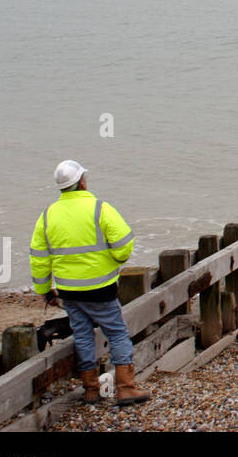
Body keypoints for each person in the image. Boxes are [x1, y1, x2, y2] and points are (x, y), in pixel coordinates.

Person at [30, 160, 151, 406]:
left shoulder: (47, 216)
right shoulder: (99, 208)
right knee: (117, 333)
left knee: (82, 335)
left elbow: (39, 258)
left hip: (69, 291)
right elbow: (124, 243)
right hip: (101, 288)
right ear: (82, 182)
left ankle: (91, 390)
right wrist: (115, 259)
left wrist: (45, 291)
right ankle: (126, 387)